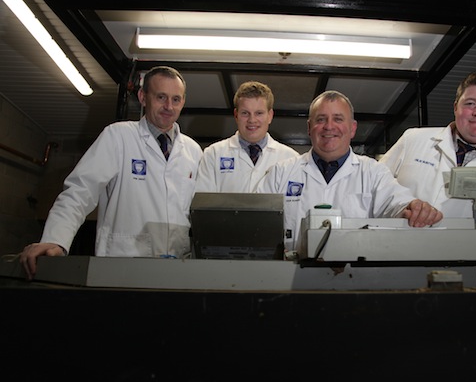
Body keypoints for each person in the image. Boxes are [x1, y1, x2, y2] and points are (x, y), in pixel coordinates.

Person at [19, 66, 203, 279]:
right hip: (122, 264)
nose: (169, 106)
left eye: (176, 99)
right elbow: (80, 190)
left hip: (177, 267)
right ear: (143, 97)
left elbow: (200, 212)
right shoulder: (118, 136)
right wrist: (55, 239)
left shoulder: (193, 151)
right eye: (161, 97)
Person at [379, 68, 476, 282]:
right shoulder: (413, 140)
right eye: (470, 103)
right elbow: (376, 188)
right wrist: (403, 207)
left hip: (471, 274)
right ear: (456, 107)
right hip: (397, 263)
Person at [256, 90, 443, 254]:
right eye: (321, 119)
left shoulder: (373, 172)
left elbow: (396, 203)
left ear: (352, 128)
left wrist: (414, 208)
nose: (329, 126)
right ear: (309, 128)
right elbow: (257, 217)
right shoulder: (281, 172)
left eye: (338, 119)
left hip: (354, 278)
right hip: (291, 277)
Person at [196, 81, 299, 192]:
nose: (252, 120)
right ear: (236, 115)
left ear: (270, 116)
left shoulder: (291, 158)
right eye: (245, 113)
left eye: (259, 113)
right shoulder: (213, 154)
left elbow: (294, 205)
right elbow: (204, 204)